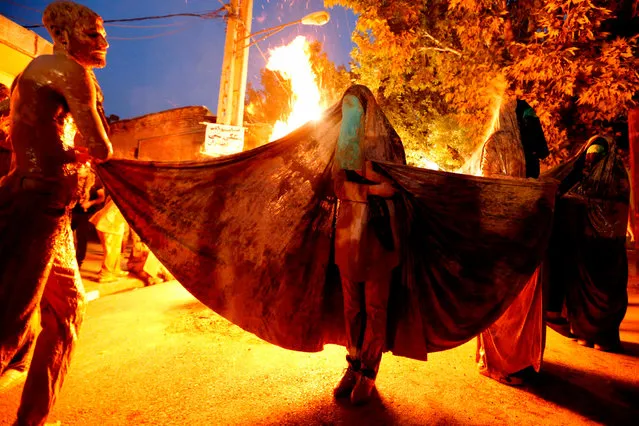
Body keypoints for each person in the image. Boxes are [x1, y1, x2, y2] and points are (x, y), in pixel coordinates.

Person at [0, 1, 112, 424]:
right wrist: (87, 153)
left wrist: (71, 153)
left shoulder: (29, 73)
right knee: (11, 324)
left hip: (53, 210)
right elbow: (101, 148)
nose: (104, 42)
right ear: (64, 37)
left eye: (103, 34)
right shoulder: (71, 71)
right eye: (93, 34)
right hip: (37, 205)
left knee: (67, 313)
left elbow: (31, 140)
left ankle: (31, 421)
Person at [331, 86, 406, 405]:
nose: (350, 117)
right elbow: (338, 184)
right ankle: (353, 364)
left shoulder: (388, 141)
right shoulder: (341, 143)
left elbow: (399, 184)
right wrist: (373, 190)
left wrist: (365, 187)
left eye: (354, 110)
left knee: (376, 308)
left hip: (378, 237)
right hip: (348, 235)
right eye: (345, 109)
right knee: (352, 308)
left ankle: (369, 372)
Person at [476, 95, 549, 385]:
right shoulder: (499, 144)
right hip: (505, 237)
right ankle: (502, 363)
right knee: (507, 302)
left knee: (522, 301)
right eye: (527, 118)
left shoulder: (525, 148)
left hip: (524, 236)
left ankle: (518, 359)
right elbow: (492, 188)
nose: (532, 123)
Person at [546, 135, 629, 352]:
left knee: (605, 293)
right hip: (585, 248)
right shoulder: (585, 180)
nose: (591, 161)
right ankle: (584, 332)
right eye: (589, 156)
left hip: (607, 250)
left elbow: (612, 210)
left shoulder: (616, 179)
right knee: (580, 292)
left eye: (596, 157)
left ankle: (603, 336)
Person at [71, 165, 105, 267]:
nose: (78, 170)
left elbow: (101, 198)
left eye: (80, 168)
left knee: (82, 238)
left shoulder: (95, 181)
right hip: (72, 211)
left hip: (86, 213)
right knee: (66, 235)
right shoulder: (73, 179)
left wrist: (90, 203)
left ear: (87, 170)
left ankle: (78, 262)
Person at [90, 197, 129, 283]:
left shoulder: (120, 193)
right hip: (110, 225)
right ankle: (105, 275)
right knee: (111, 251)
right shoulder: (128, 196)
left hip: (111, 224)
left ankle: (115, 269)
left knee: (115, 250)